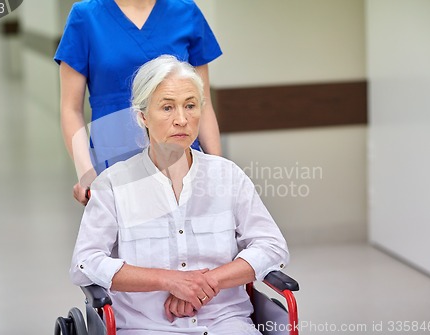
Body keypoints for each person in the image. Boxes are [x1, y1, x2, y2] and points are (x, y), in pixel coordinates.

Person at [70, 55, 290, 335]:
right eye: (167, 108)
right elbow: (85, 263)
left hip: (225, 323)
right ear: (142, 116)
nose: (182, 119)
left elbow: (272, 246)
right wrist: (168, 281)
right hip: (146, 327)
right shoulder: (113, 185)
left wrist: (207, 282)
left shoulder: (228, 176)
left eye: (190, 105)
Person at [54, 0, 223, 205]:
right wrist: (87, 175)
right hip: (114, 160)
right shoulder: (85, 16)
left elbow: (201, 104)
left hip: (181, 161)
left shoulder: (186, 12)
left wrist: (218, 170)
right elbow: (71, 109)